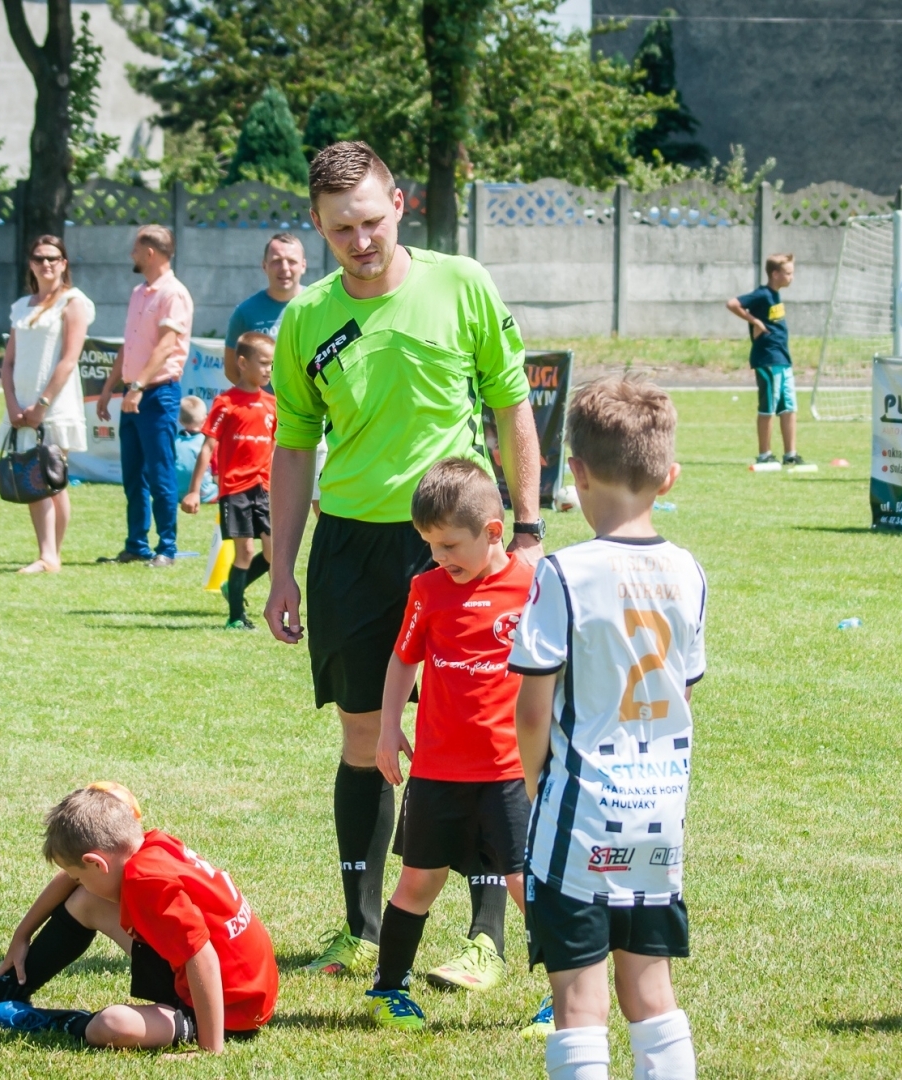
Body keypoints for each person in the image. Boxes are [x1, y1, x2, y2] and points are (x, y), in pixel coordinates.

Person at [265, 141, 543, 978]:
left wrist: (525, 529)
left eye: (373, 220)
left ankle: (486, 937)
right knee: (363, 734)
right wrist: (281, 568)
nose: (361, 239)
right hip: (350, 542)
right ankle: (361, 927)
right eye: (341, 227)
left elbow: (513, 408)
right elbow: (291, 448)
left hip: (460, 543)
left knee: (483, 735)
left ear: (400, 204)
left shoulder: (464, 284)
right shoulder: (305, 318)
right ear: (318, 226)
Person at [511, 376, 706, 1080]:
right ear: (669, 476)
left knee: (579, 1001)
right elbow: (682, 692)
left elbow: (532, 709)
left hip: (582, 816)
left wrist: (537, 783)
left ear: (576, 473)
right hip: (658, 814)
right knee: (650, 990)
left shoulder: (564, 574)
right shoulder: (689, 571)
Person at [366, 458, 538, 1031]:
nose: (439, 558)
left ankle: (568, 994)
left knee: (524, 882)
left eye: (448, 546)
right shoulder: (427, 589)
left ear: (493, 532)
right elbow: (402, 659)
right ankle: (390, 989)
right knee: (419, 881)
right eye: (430, 546)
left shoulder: (534, 586)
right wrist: (390, 728)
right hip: (438, 772)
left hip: (510, 771)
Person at [0, 782, 279, 1052]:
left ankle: (55, 1022)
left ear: (98, 863)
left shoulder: (146, 882)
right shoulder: (148, 845)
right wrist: (22, 935)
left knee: (111, 1025)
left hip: (230, 1009)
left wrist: (211, 1050)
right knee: (86, 901)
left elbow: (203, 956)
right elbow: (74, 879)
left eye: (81, 875)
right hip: (241, 983)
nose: (76, 883)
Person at [97, 225, 192, 569]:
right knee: (133, 473)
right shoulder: (140, 292)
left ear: (150, 253)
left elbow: (167, 344)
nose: (132, 256)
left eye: (136, 249)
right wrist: (110, 388)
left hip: (158, 394)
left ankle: (166, 547)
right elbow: (131, 344)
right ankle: (136, 544)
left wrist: (137, 387)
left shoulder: (174, 294)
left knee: (160, 471)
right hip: (132, 394)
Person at [0, 235, 92, 574]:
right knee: (34, 478)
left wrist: (43, 404)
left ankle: (50, 554)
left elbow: (68, 359)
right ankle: (48, 553)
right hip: (22, 405)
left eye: (53, 258)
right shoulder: (21, 306)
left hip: (55, 404)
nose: (46, 264)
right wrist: (12, 403)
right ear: (31, 264)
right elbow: (8, 362)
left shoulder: (73, 302)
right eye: (39, 258)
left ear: (64, 263)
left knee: (51, 478)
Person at [184, 332, 276, 630]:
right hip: (235, 490)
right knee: (245, 551)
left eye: (271, 364)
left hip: (264, 489)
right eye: (262, 363)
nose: (268, 370)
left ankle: (232, 587)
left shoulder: (272, 405)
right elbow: (207, 447)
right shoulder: (225, 403)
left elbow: (276, 449)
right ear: (242, 362)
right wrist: (194, 491)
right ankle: (236, 616)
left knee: (274, 552)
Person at [725, 253, 802, 465]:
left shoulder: (776, 295)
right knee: (768, 406)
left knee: (789, 407)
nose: (791, 277)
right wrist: (755, 322)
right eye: (788, 273)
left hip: (783, 359)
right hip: (768, 359)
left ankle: (790, 455)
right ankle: (765, 454)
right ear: (775, 274)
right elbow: (732, 303)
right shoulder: (762, 294)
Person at [224, 233, 307, 380]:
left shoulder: (320, 305)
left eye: (292, 261)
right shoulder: (245, 313)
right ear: (264, 266)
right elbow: (232, 370)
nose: (285, 268)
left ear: (303, 266)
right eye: (277, 261)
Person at [174, 395, 216, 509]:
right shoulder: (208, 442)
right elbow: (217, 474)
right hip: (207, 495)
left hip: (177, 495)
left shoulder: (173, 441)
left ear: (180, 420)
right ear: (205, 418)